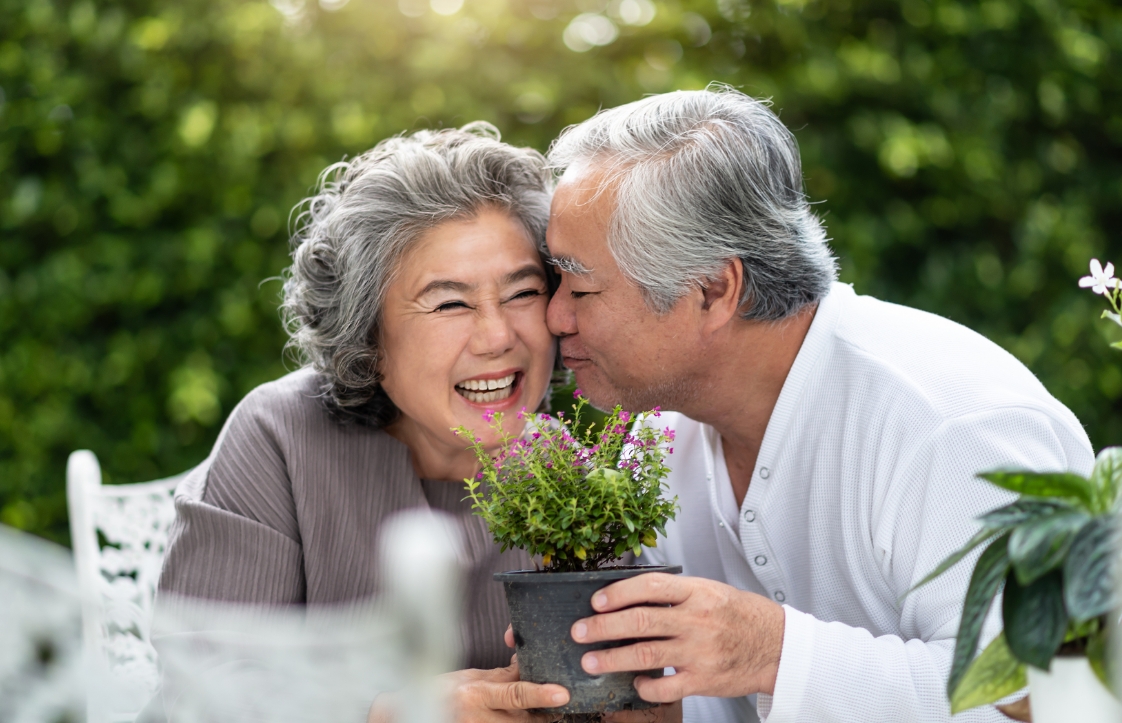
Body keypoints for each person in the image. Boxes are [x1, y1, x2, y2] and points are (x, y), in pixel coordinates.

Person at [538, 86, 1094, 722]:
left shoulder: (954, 424)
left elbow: (1073, 697)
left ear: (714, 290)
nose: (554, 316)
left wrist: (777, 654)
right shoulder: (661, 437)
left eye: (579, 287)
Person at [152, 123, 571, 719]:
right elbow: (201, 691)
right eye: (450, 302)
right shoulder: (280, 437)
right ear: (367, 339)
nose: (499, 336)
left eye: (523, 292)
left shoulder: (569, 474)